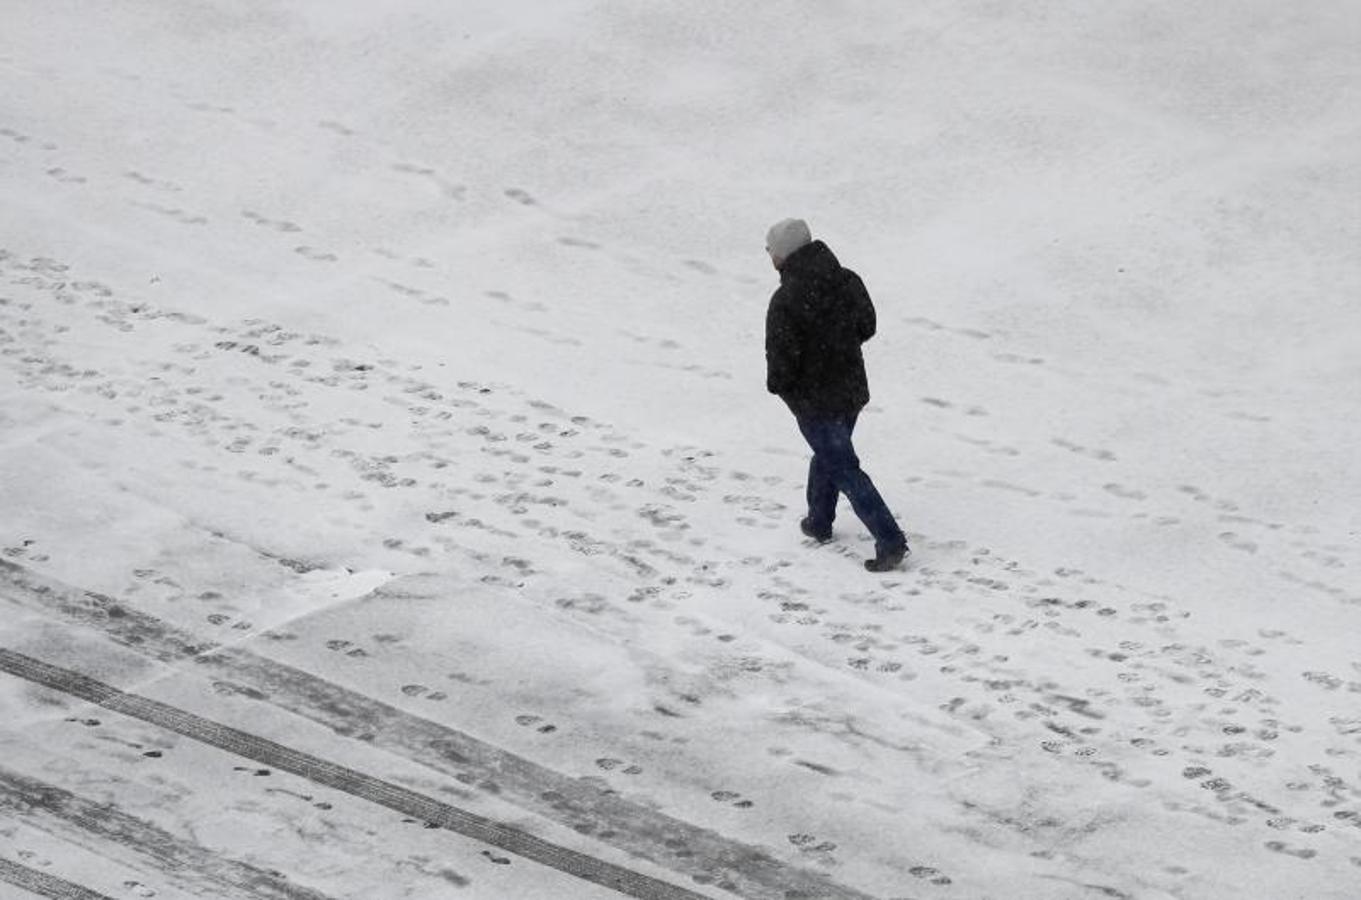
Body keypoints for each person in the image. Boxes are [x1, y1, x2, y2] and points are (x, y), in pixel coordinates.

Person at [763, 218, 909, 572]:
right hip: (850, 389)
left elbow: (781, 362)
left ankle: (890, 540)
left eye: (771, 250)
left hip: (815, 400)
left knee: (843, 466)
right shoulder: (846, 279)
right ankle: (819, 520)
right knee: (830, 452)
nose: (769, 256)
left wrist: (784, 388)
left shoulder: (786, 300)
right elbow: (867, 325)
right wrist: (839, 347)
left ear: (783, 253)